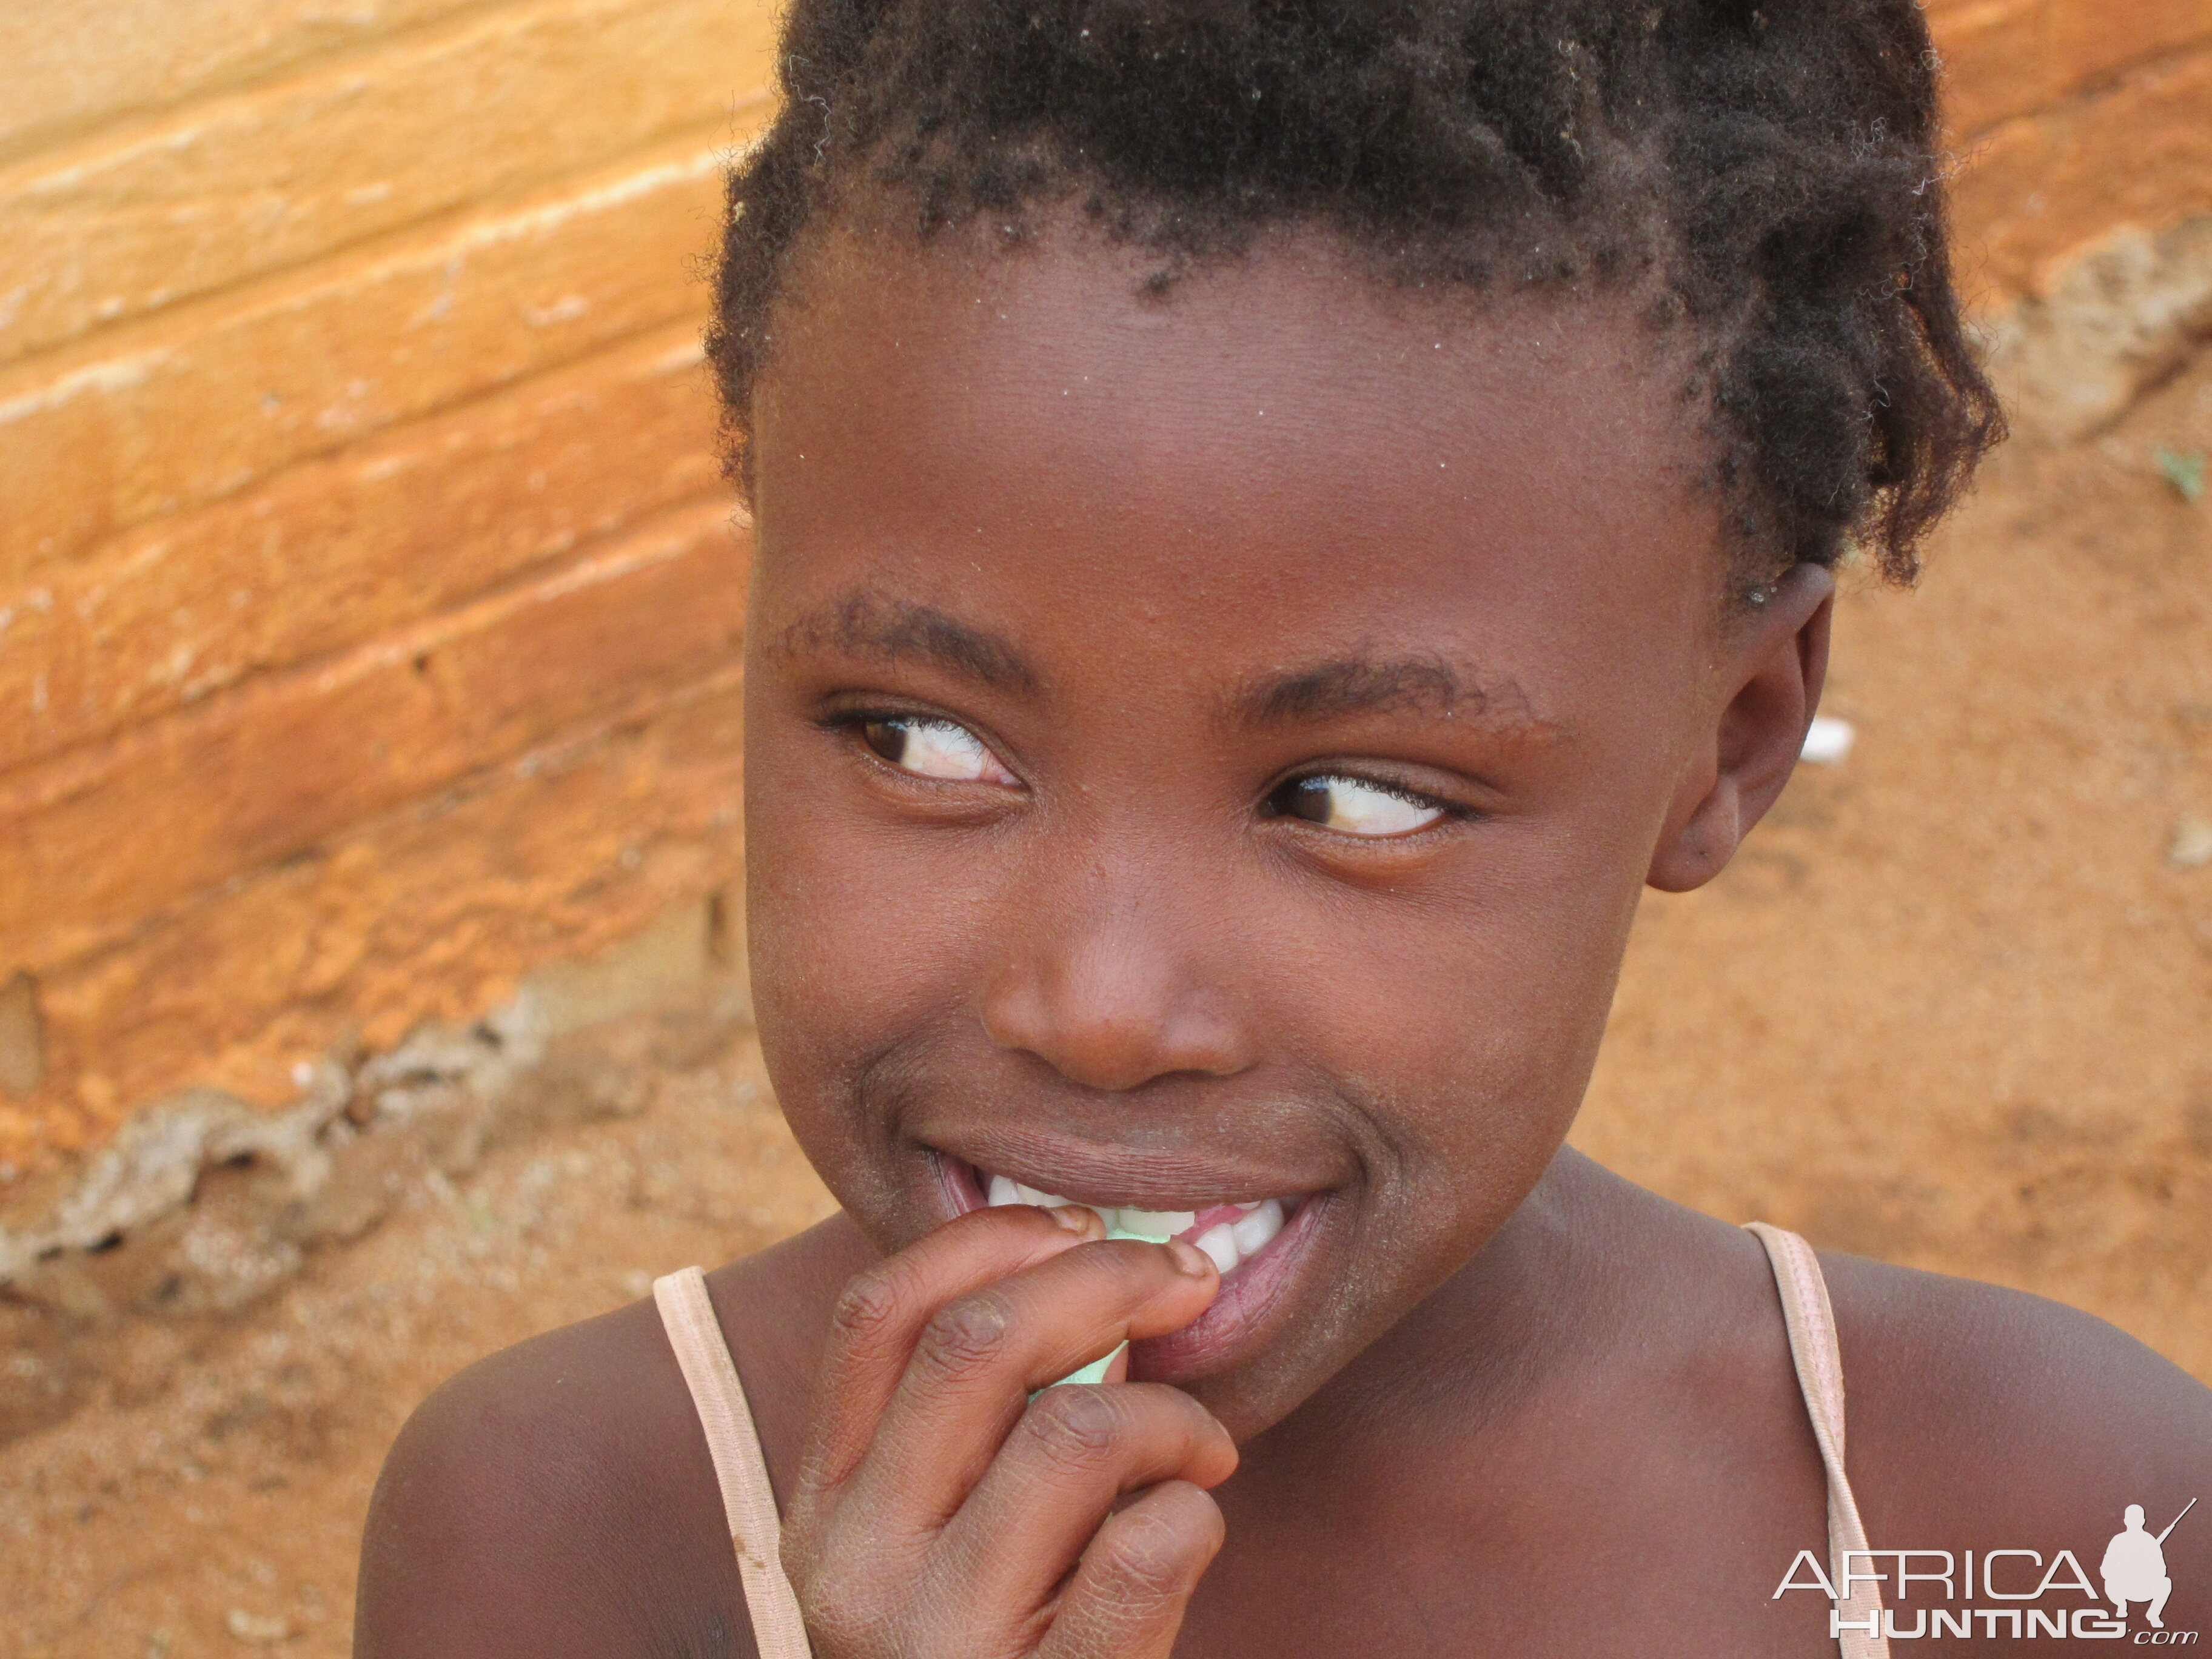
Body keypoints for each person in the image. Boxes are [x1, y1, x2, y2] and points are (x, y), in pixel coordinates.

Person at [354, 2, 2212, 1654]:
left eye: (1352, 797)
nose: (1096, 1006)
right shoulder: (564, 1537)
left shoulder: (2038, 1520)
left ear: (1729, 741)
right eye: (920, 737)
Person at [2104, 1504, 2177, 1629]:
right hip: (2122, 1588)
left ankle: (2153, 1614)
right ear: (2126, 1521)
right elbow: (2106, 1568)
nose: (2134, 1523)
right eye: (2132, 1520)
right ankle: (2121, 1605)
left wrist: (2145, 1571)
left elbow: (2162, 1570)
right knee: (2109, 1582)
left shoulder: (2150, 1541)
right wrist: (2122, 1572)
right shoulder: (2118, 1540)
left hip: (2144, 1588)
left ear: (2143, 1521)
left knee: (2166, 1583)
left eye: (2137, 1520)